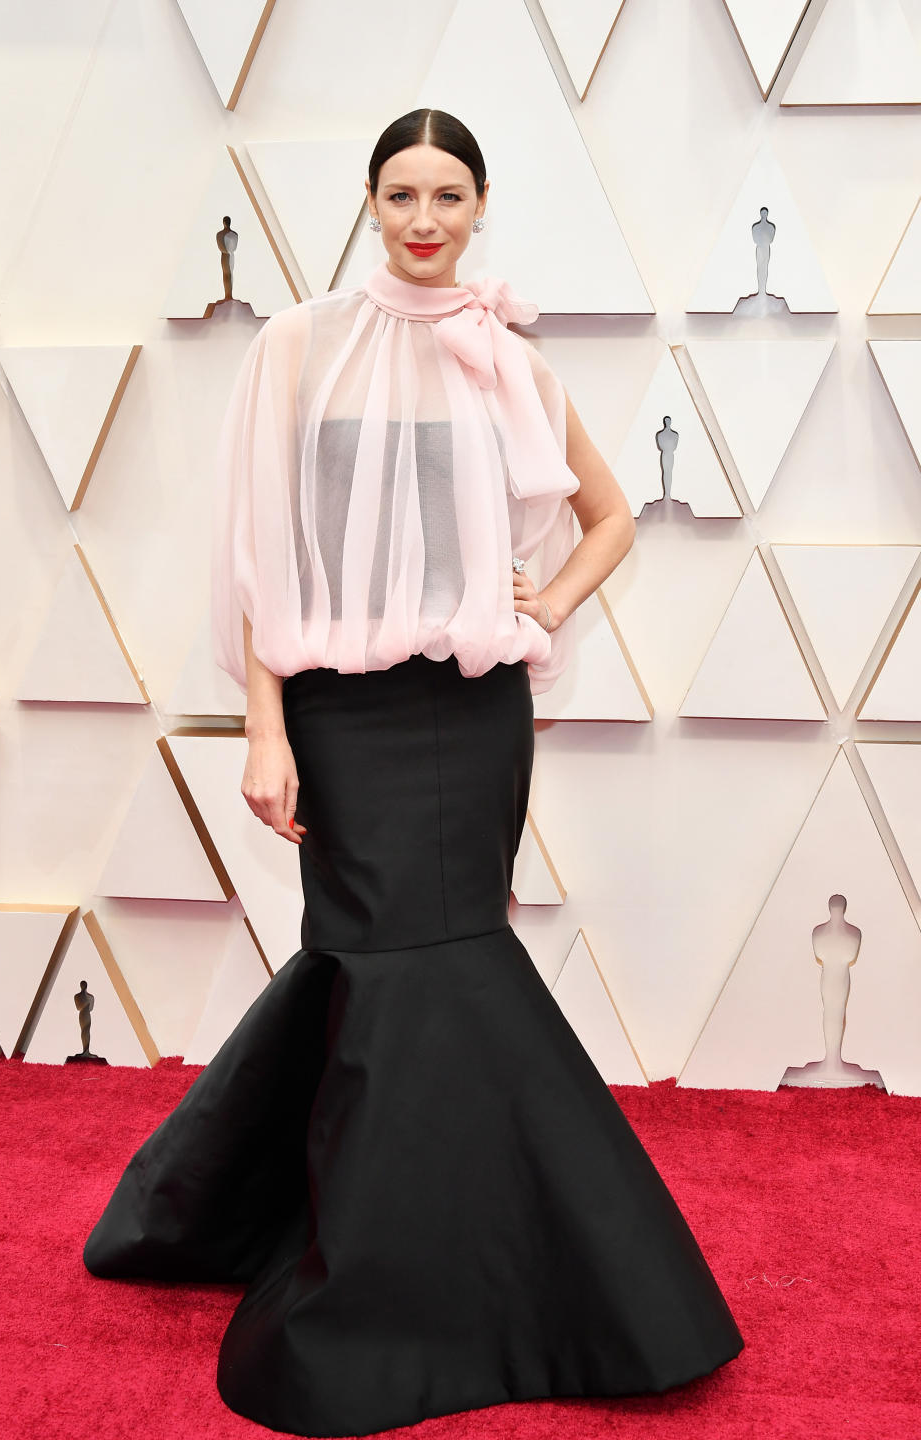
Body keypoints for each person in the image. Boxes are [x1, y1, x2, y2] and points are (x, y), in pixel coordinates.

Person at [83, 108, 744, 1437]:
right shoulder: (297, 348)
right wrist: (265, 727)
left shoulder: (510, 361)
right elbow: (260, 557)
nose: (425, 217)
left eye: (448, 194)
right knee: (374, 962)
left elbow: (610, 517)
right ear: (372, 203)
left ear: (481, 205)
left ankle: (437, 1263)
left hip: (473, 710)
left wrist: (543, 605)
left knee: (422, 965)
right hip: (336, 711)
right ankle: (343, 1241)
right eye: (401, 193)